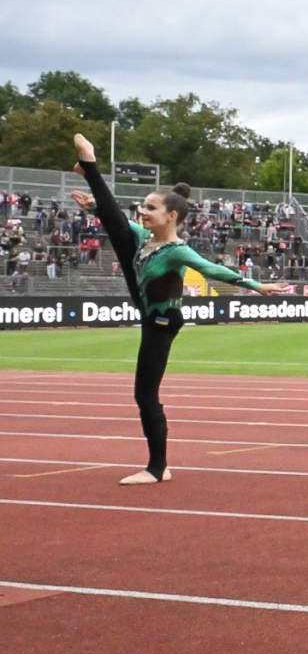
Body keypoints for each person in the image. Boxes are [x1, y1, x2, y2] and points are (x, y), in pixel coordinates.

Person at [68, 133, 292, 484]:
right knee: (120, 230)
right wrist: (95, 206)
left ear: (171, 216)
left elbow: (212, 269)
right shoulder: (145, 238)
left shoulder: (177, 250)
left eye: (150, 208)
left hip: (162, 320)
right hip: (147, 310)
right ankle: (91, 169)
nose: (142, 211)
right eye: (143, 206)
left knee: (145, 394)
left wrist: (256, 286)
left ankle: (158, 467)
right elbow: (119, 222)